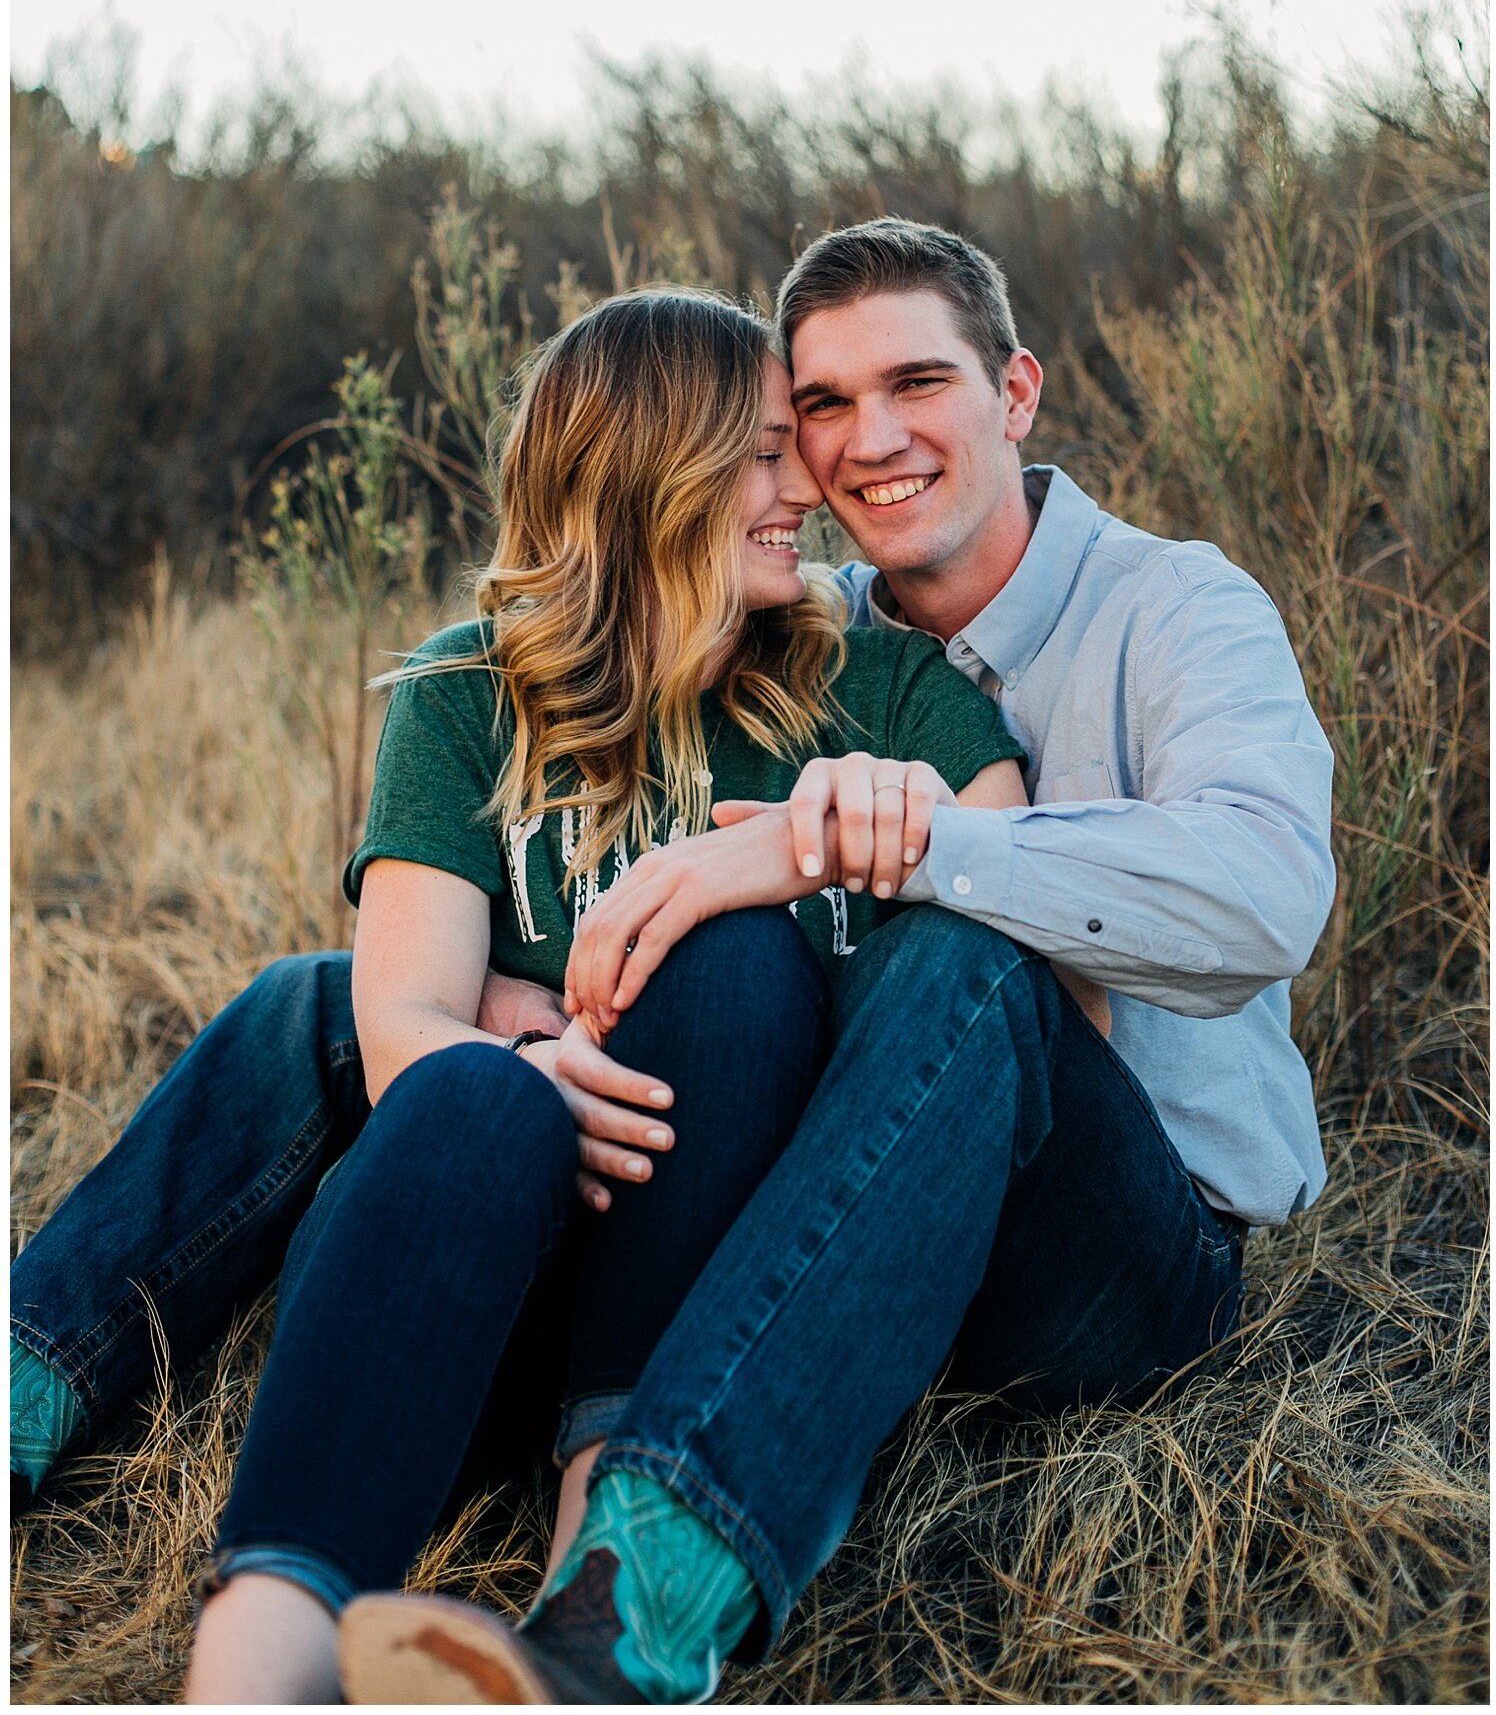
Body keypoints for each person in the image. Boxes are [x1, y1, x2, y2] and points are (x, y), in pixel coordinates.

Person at [331, 217, 1336, 1705]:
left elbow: (1269, 901)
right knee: (325, 1015)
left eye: (918, 383)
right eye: (820, 407)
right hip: (869, 1231)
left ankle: (638, 1608)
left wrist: (905, 848)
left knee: (965, 962)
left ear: (1017, 393)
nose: (865, 443)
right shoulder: (812, 627)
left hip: (1127, 1246)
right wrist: (491, 988)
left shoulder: (1177, 611)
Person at [13, 287, 1030, 1705]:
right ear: (644, 478)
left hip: (712, 1323)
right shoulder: (466, 695)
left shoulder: (877, 687)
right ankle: (252, 1658)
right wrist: (533, 1053)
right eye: (757, 454)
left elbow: (1013, 955)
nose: (806, 481)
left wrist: (858, 829)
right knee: (434, 1069)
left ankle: (585, 1600)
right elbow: (401, 1025)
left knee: (724, 964)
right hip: (476, 1284)